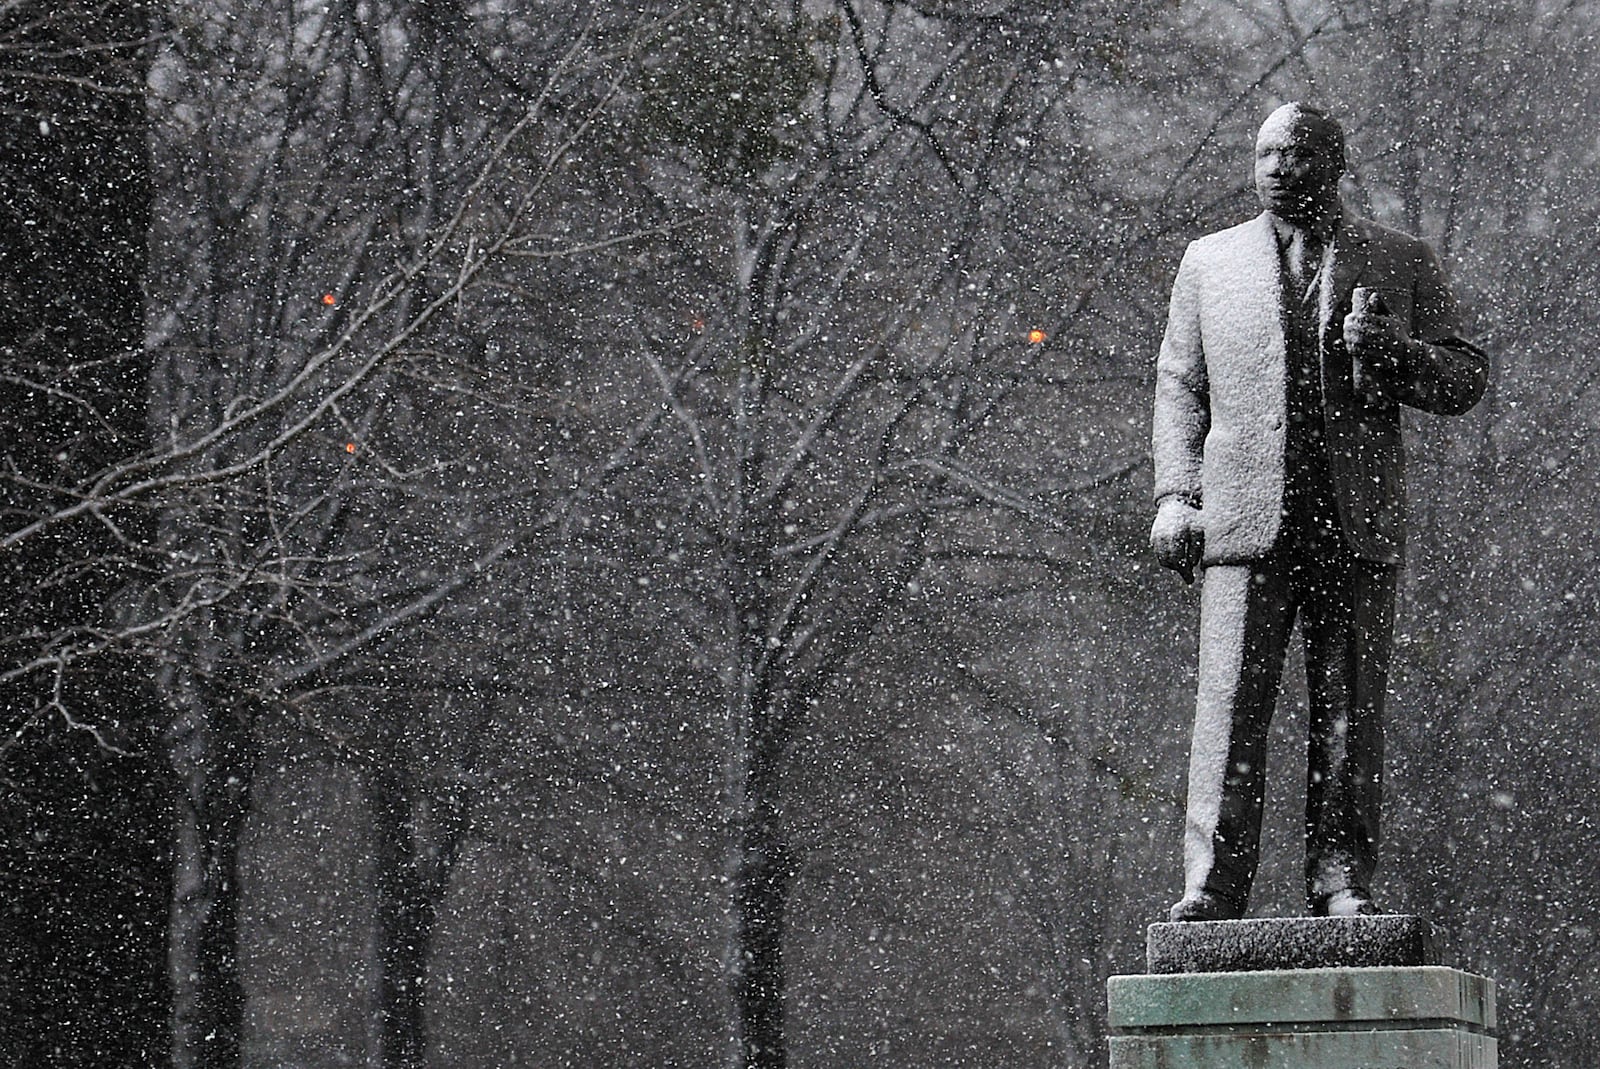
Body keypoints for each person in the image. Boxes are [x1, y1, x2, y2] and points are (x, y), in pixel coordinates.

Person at [1150, 103, 1488, 921]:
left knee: (1349, 714)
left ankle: (1340, 882)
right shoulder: (1210, 261)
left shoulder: (1399, 257)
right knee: (1229, 711)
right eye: (1264, 152)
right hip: (1240, 525)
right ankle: (1213, 885)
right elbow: (1179, 385)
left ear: (1331, 162)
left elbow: (1466, 374)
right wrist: (1175, 495)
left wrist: (1393, 353)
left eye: (1293, 153)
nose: (1274, 167)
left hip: (1352, 520)